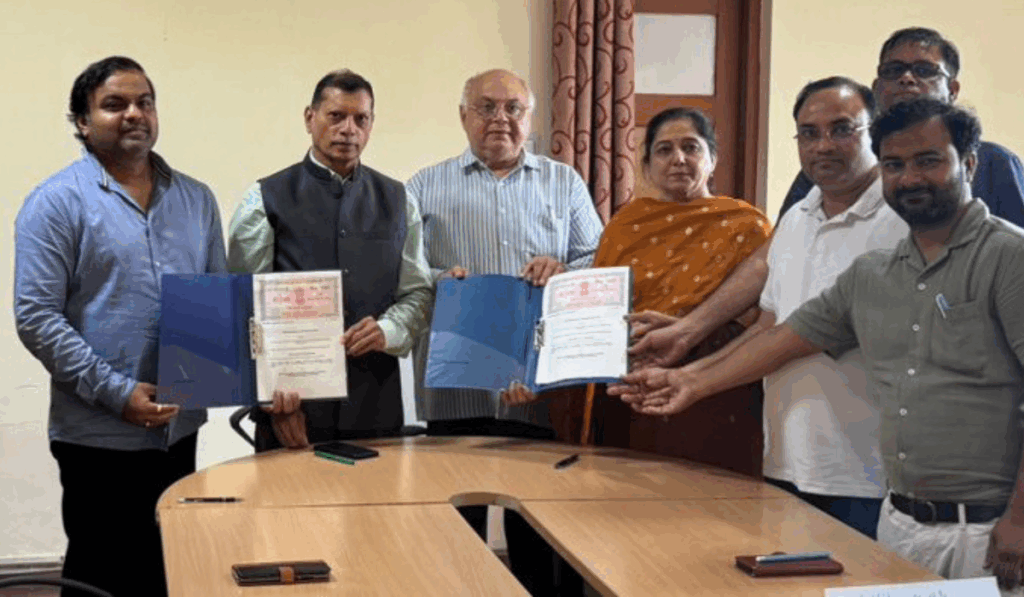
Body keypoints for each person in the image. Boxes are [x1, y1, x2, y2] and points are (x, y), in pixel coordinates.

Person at [612, 98, 1024, 593]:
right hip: (899, 524)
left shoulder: (1010, 257)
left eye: (928, 161)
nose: (909, 178)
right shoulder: (874, 273)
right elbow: (782, 337)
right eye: (894, 165)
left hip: (988, 529)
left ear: (969, 163)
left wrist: (1020, 518)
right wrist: (688, 380)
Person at [14, 56, 228, 597]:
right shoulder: (55, 203)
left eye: (145, 102)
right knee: (101, 578)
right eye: (115, 104)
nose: (134, 113)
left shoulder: (196, 199)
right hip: (98, 435)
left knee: (168, 571)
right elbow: (36, 316)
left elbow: (215, 302)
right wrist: (116, 393)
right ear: (83, 122)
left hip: (178, 431)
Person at [407, 68, 603, 596]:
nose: (501, 119)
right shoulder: (424, 185)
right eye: (487, 107)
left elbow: (597, 259)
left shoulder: (564, 182)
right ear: (463, 116)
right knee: (456, 535)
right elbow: (404, 273)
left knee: (541, 533)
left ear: (530, 117)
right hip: (455, 389)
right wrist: (439, 278)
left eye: (513, 108)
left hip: (538, 389)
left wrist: (563, 269)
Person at [505, 106, 772, 476]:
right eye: (664, 150)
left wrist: (691, 330)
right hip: (627, 392)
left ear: (712, 159)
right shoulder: (625, 226)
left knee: (706, 498)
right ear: (646, 167)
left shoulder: (748, 227)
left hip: (709, 390)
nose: (678, 158)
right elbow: (594, 315)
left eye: (691, 147)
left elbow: (762, 318)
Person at [228, 69, 433, 450]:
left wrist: (388, 330)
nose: (348, 130)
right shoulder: (264, 198)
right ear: (310, 118)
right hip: (292, 414)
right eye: (336, 116)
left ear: (371, 124)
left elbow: (418, 293)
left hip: (377, 408)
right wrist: (271, 403)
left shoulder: (399, 200)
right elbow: (242, 310)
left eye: (361, 119)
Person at [758, 76, 907, 538]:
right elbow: (768, 326)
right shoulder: (795, 218)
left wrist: (691, 382)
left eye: (842, 129)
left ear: (874, 132)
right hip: (787, 462)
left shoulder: (903, 219)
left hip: (871, 475)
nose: (823, 145)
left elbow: (802, 337)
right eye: (809, 133)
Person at [777, 27, 1024, 227]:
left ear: (952, 89)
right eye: (893, 70)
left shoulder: (994, 164)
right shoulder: (836, 159)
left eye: (924, 70)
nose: (906, 78)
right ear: (876, 87)